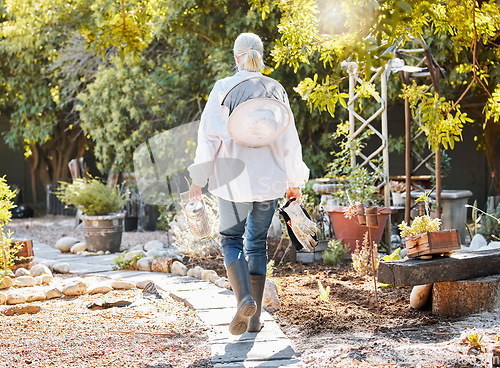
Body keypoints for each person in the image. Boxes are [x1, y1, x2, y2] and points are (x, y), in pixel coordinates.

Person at [188, 32, 309, 335]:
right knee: (256, 244)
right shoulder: (275, 90)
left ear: (236, 56)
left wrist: (198, 179)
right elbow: (290, 142)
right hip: (269, 182)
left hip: (233, 183)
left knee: (231, 239)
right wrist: (295, 181)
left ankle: (243, 299)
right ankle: (254, 319)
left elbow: (208, 138)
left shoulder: (223, 88)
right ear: (260, 55)